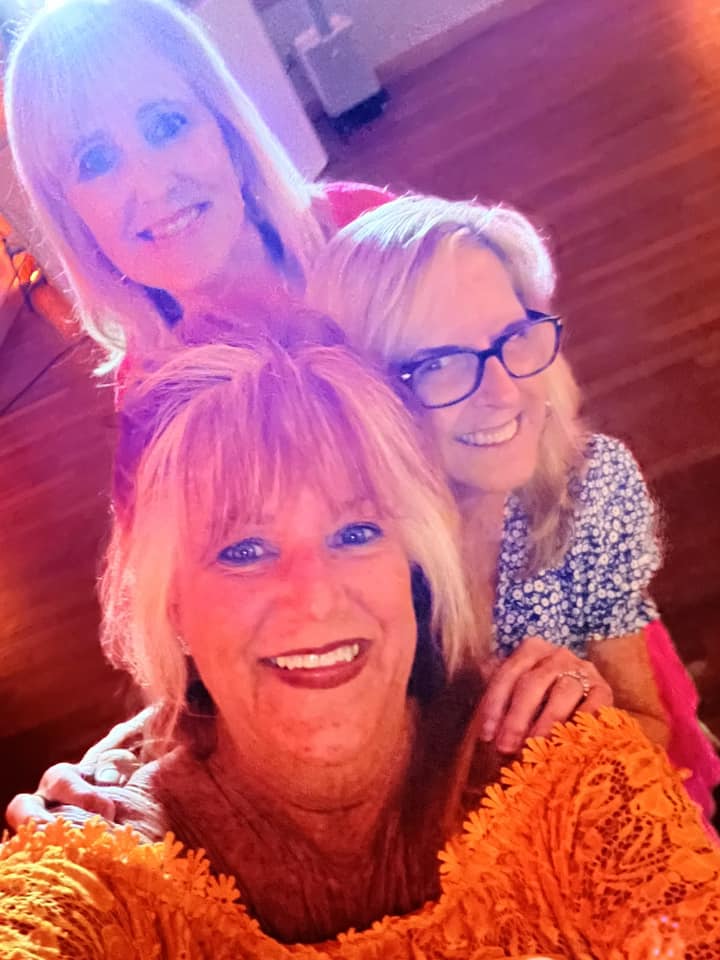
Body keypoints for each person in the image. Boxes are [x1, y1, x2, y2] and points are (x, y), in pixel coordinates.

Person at [1, 333, 718, 959]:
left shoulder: (558, 766)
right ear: (172, 604)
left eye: (355, 533)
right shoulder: (102, 855)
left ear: (413, 565)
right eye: (243, 549)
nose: (314, 597)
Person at [306, 193, 720, 817]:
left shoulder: (588, 488)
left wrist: (593, 717)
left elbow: (649, 728)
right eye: (440, 364)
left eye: (512, 338)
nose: (502, 392)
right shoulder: (328, 558)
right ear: (363, 394)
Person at [2, 0, 391, 376]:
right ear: (70, 216)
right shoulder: (151, 396)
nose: (152, 186)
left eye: (167, 125)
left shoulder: (369, 232)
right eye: (95, 160)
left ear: (229, 131)